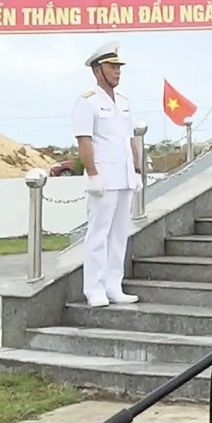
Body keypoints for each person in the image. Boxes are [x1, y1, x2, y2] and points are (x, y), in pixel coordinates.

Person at [73, 41, 143, 307]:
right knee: (98, 235)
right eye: (112, 67)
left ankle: (114, 285)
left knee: (118, 235)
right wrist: (92, 174)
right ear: (97, 70)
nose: (117, 71)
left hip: (124, 177)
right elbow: (85, 141)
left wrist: (136, 171)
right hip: (104, 178)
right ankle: (94, 288)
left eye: (118, 67)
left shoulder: (123, 102)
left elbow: (129, 139)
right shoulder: (87, 102)